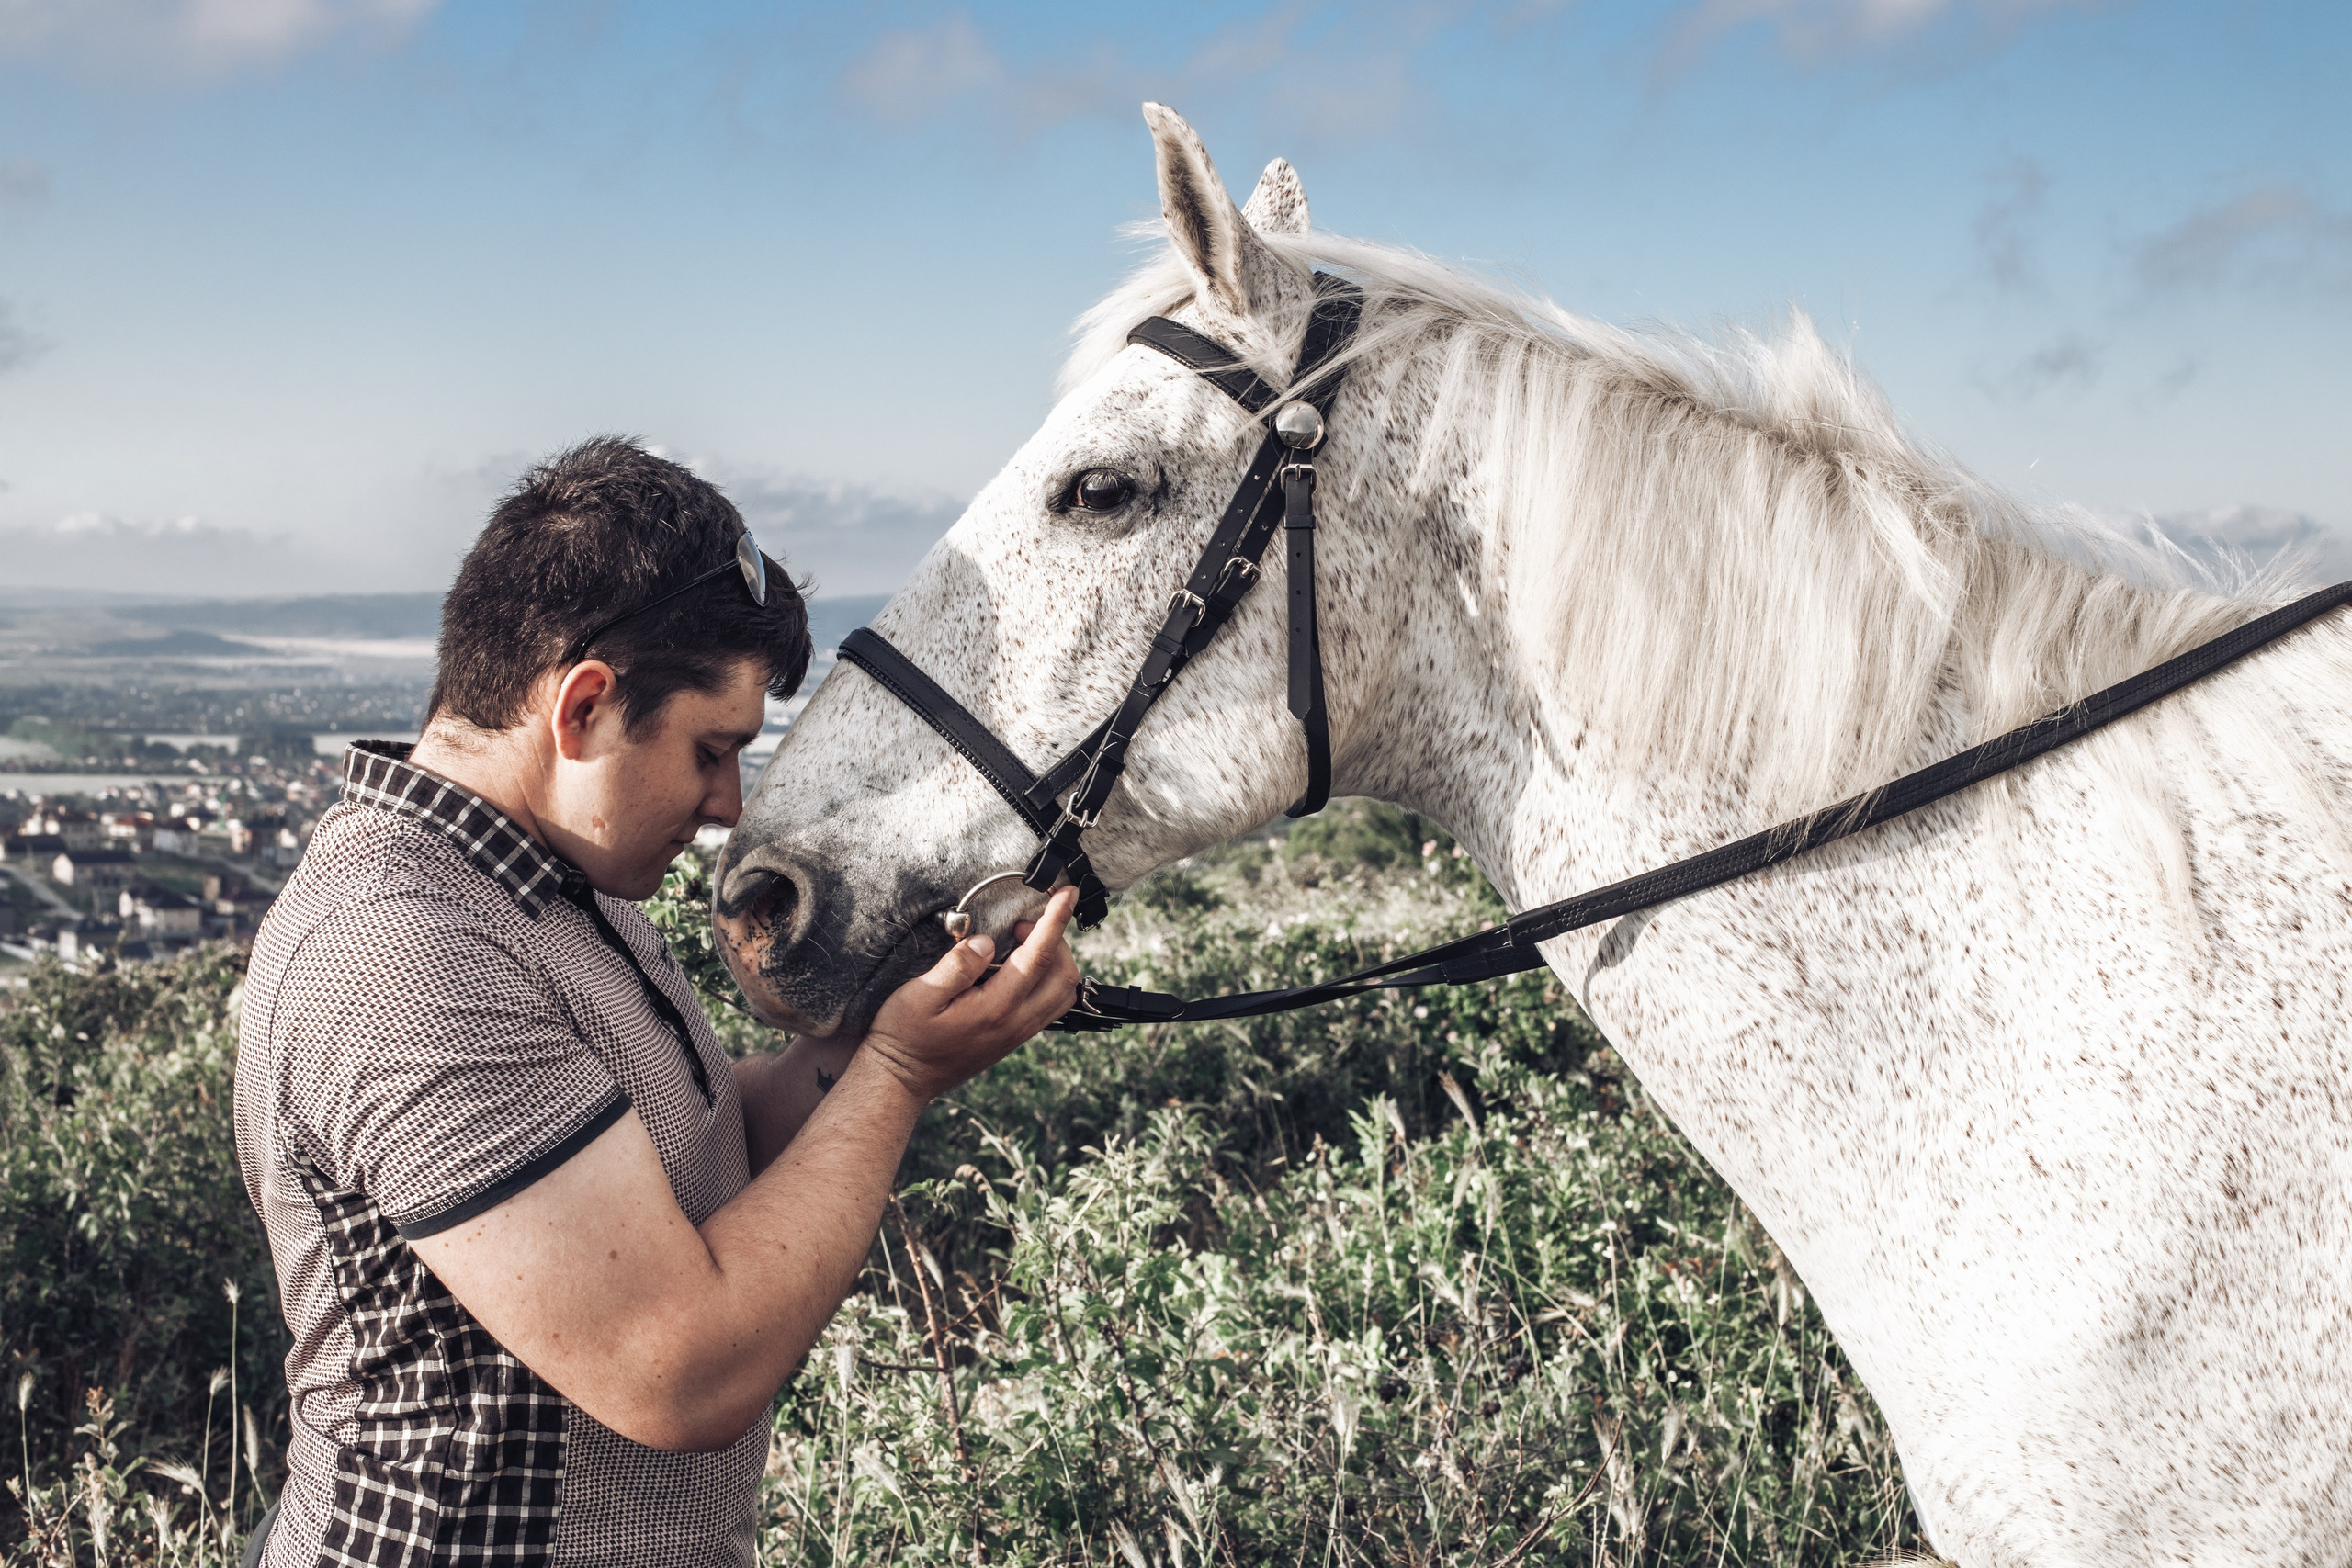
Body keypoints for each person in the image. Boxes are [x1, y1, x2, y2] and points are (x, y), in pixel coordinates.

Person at [232, 437, 1078, 1568]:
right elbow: (679, 1372)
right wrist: (896, 1078)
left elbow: (694, 1147)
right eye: (711, 750)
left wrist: (893, 1023)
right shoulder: (401, 946)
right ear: (584, 705)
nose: (727, 804)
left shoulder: (550, 886)